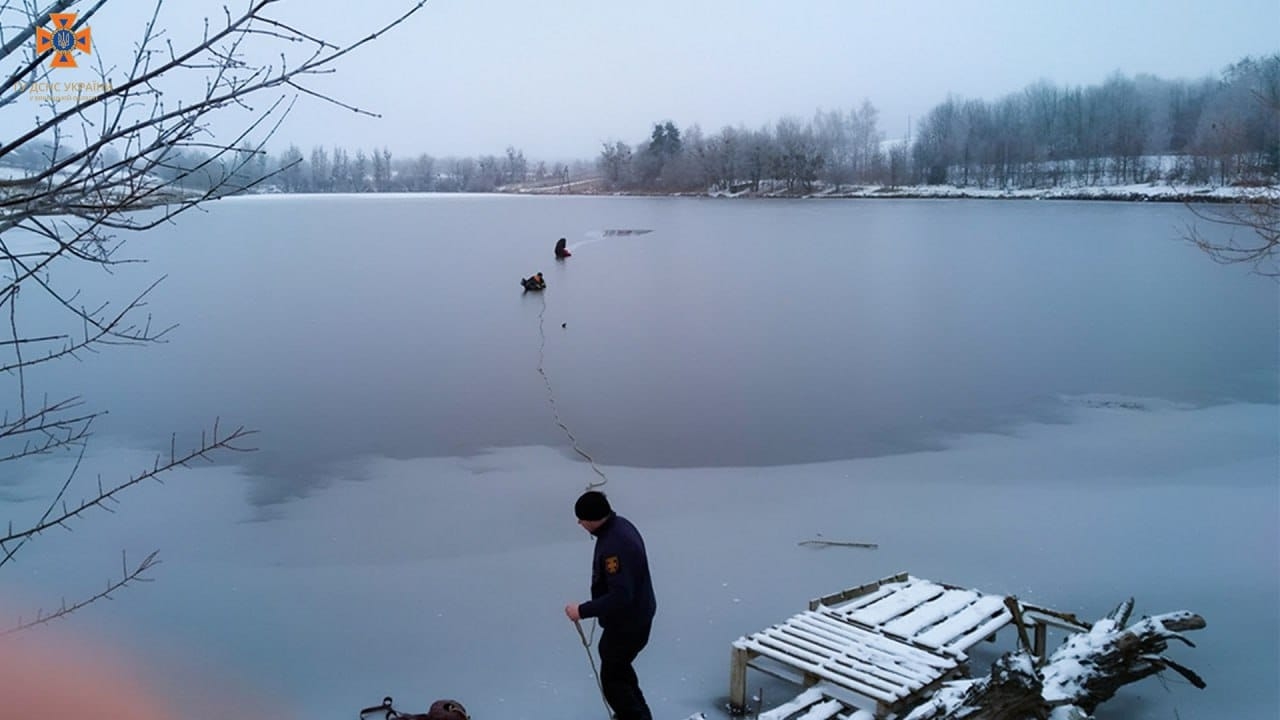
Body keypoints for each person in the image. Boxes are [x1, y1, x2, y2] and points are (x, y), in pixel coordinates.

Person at [564, 491, 656, 720]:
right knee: (619, 670)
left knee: (613, 680)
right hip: (636, 617)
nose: (579, 523)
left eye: (581, 519)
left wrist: (582, 611)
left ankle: (633, 717)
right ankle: (638, 715)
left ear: (593, 519)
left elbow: (621, 595)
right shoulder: (620, 525)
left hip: (629, 623)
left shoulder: (614, 546)